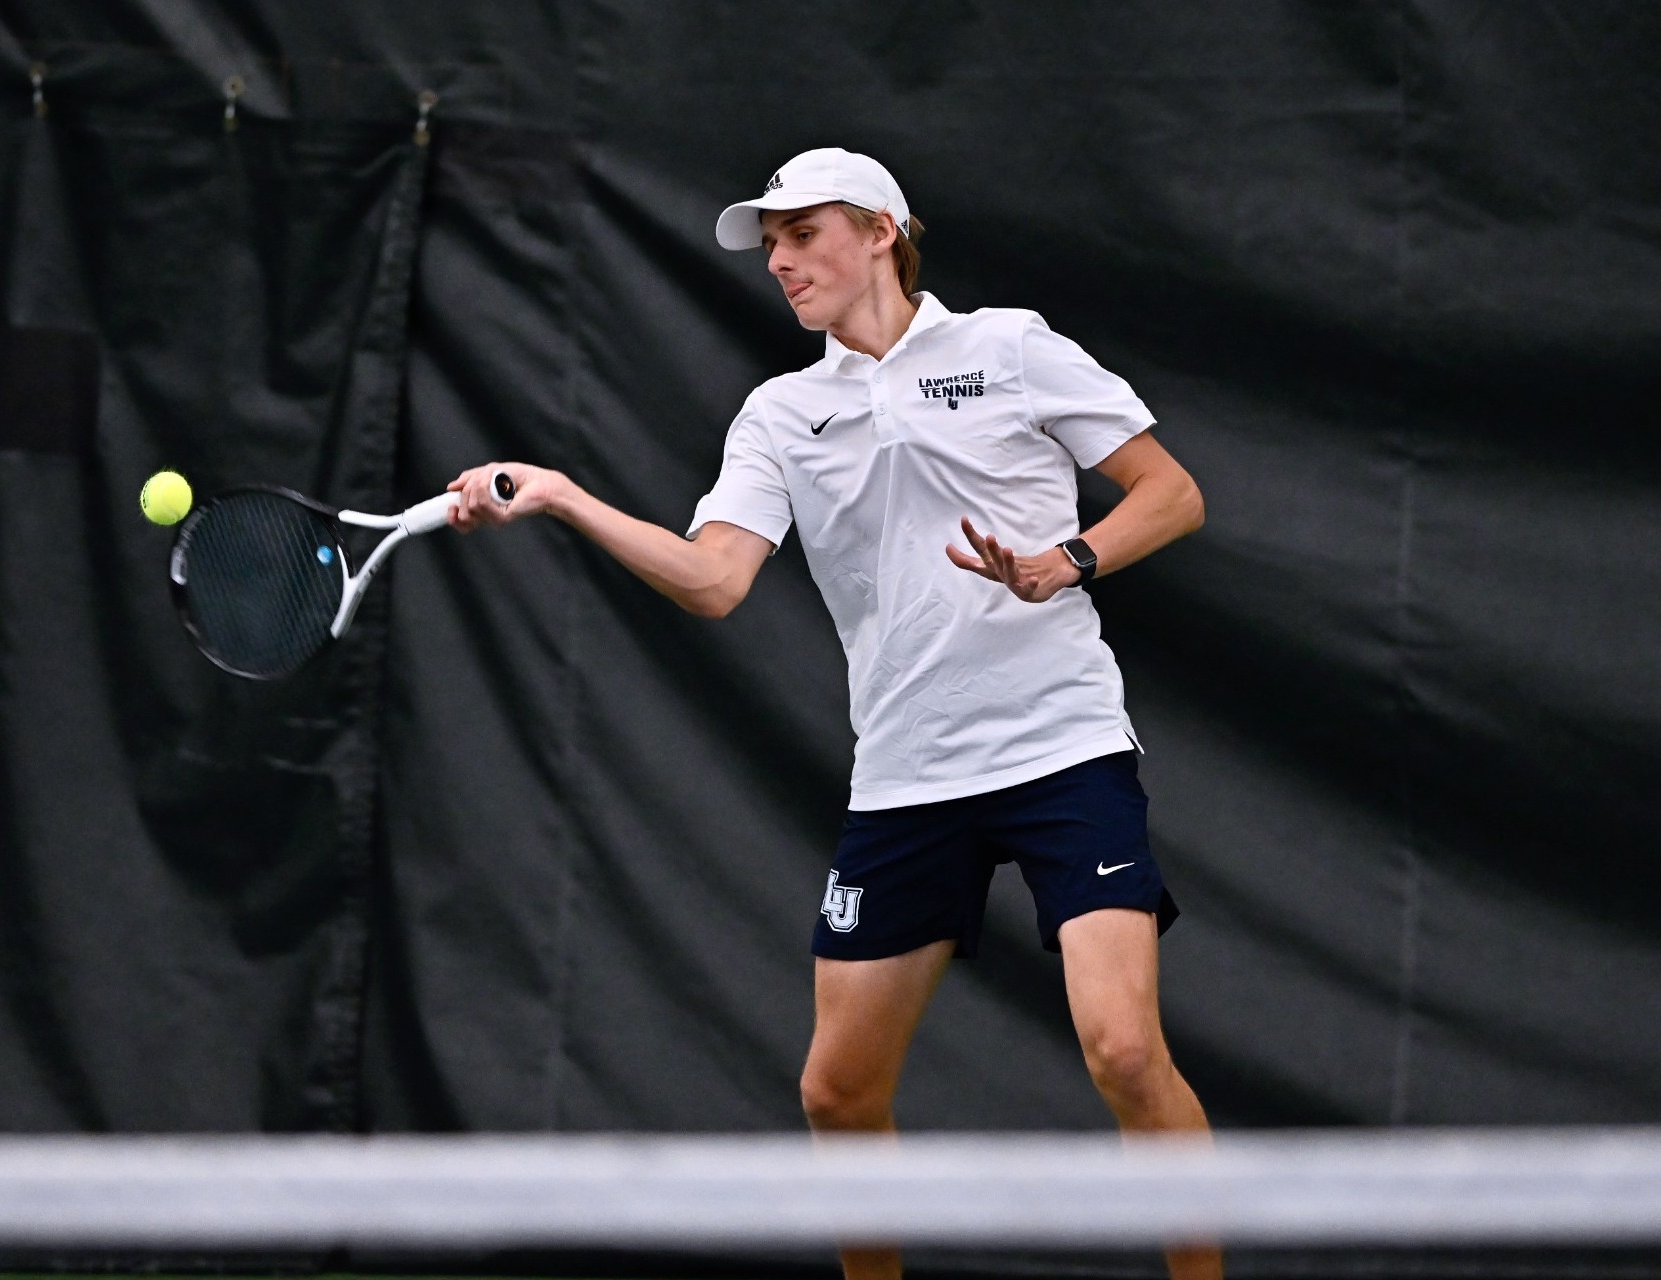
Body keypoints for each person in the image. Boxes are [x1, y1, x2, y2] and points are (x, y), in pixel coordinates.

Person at [445, 147, 1219, 1280]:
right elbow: (714, 579)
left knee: (1121, 1046)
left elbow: (1174, 493)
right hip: (905, 777)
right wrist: (562, 496)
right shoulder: (780, 412)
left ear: (882, 232)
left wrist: (1071, 558)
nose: (781, 258)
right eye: (770, 241)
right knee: (836, 1089)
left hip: (1062, 748)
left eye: (803, 233)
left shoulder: (1009, 346)